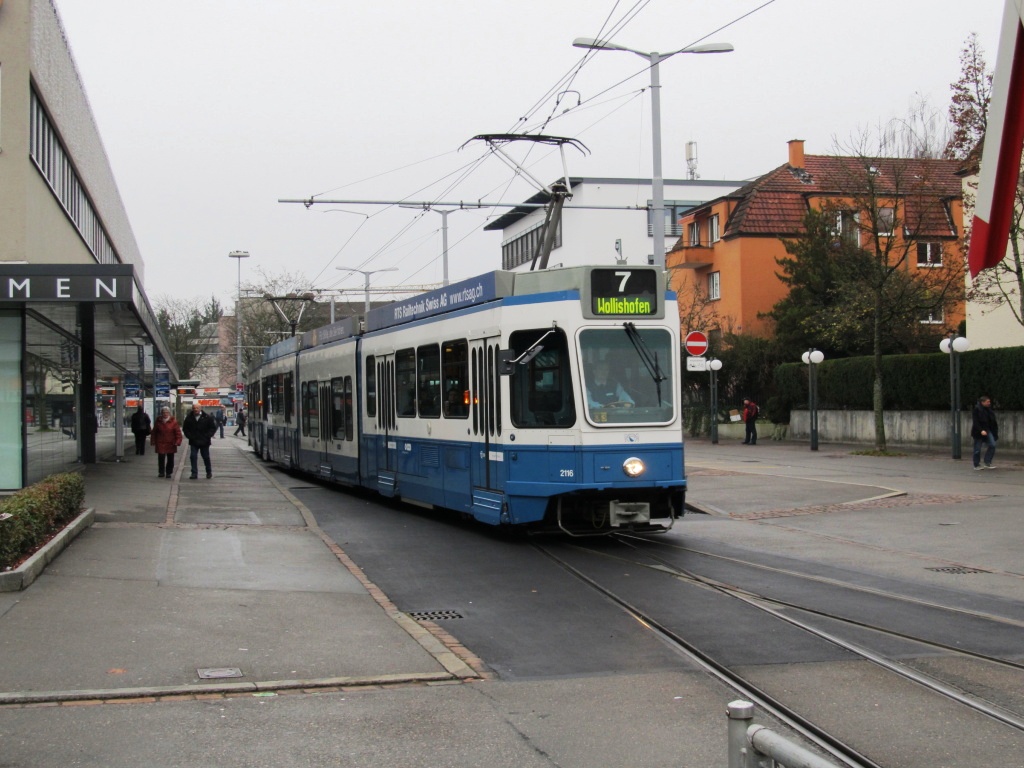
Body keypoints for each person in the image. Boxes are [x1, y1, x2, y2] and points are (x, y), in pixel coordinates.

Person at [182, 402, 218, 479]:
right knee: (193, 457)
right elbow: (185, 429)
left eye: (197, 408)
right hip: (194, 441)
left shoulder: (207, 417)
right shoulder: (189, 418)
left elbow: (213, 428)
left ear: (200, 408)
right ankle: (194, 473)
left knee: (206, 457)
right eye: (194, 408)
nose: (195, 410)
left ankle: (208, 472)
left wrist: (208, 435)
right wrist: (190, 436)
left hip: (204, 441)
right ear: (192, 409)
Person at [150, 406, 182, 478]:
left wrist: (178, 441)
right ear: (161, 413)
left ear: (169, 413)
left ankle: (169, 472)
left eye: (167, 412)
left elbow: (178, 433)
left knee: (170, 458)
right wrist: (153, 440)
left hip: (171, 443)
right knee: (161, 458)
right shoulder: (158, 421)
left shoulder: (173, 422)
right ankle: (161, 472)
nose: (165, 414)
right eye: (164, 412)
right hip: (160, 442)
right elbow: (154, 432)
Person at [971, 395, 998, 470]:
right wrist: (981, 430)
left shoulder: (989, 410)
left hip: (988, 430)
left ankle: (987, 462)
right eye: (987, 402)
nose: (989, 403)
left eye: (989, 401)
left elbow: (992, 421)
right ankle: (976, 464)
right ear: (982, 402)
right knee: (977, 449)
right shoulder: (977, 410)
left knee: (992, 445)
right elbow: (975, 422)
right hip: (979, 432)